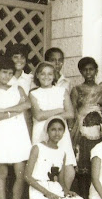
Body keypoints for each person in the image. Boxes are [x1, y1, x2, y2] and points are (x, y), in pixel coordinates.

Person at [0, 55, 32, 199]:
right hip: (1, 134)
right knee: (1, 172)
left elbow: (28, 105)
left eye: (10, 73)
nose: (7, 76)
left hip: (18, 133)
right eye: (4, 72)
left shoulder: (18, 89)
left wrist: (6, 110)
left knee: (20, 172)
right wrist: (14, 112)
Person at [29, 62, 77, 190]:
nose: (46, 77)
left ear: (54, 75)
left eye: (50, 74)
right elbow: (38, 116)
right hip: (41, 131)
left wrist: (48, 113)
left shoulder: (62, 91)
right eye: (43, 73)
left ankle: (62, 194)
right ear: (37, 76)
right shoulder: (34, 93)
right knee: (43, 166)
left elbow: (70, 113)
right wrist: (58, 110)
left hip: (60, 132)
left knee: (69, 168)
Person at [70, 57, 102, 199]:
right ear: (81, 72)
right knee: (83, 164)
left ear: (96, 71)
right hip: (81, 127)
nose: (88, 72)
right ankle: (83, 197)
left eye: (91, 69)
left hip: (98, 128)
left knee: (97, 163)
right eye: (85, 70)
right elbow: (74, 111)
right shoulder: (76, 90)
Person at [25, 118, 86, 199]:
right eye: (53, 129)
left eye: (60, 130)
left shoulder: (62, 153)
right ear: (47, 131)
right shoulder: (37, 148)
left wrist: (66, 191)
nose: (57, 133)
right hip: (39, 189)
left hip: (55, 188)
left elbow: (61, 179)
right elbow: (27, 176)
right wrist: (47, 193)